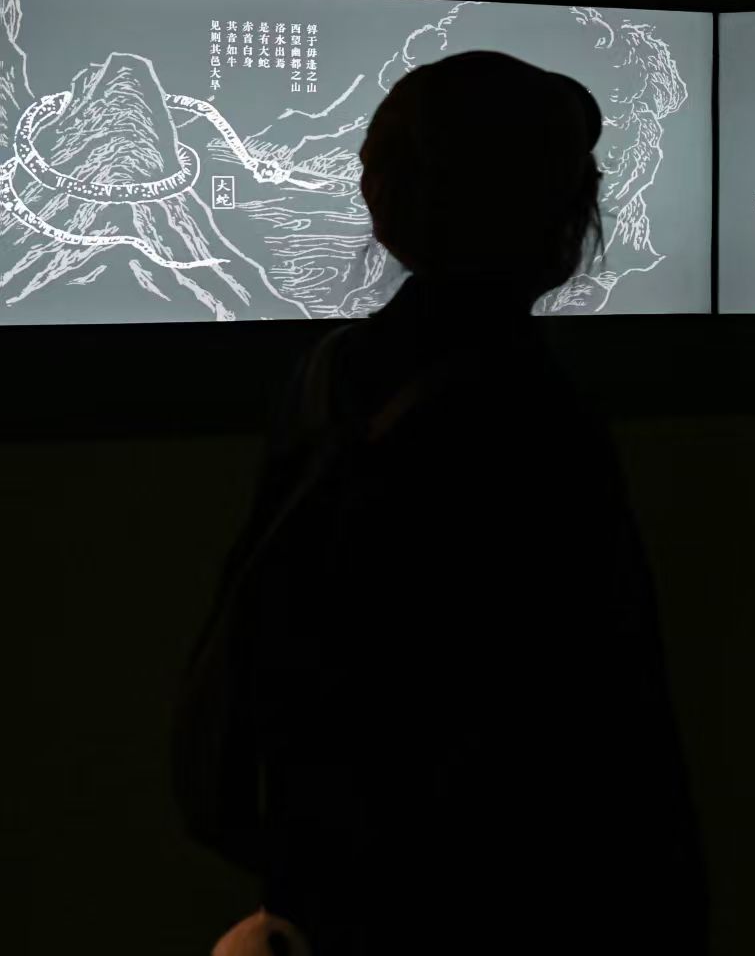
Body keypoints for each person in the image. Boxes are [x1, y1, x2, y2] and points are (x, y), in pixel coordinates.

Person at [172, 51, 707, 954]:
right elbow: (594, 717)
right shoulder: (532, 414)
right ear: (550, 212)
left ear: (386, 202)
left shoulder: (331, 375)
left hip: (331, 875)